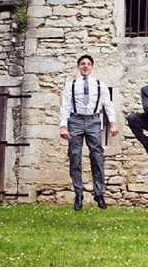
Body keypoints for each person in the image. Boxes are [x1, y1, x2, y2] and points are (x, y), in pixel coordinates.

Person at [59, 53, 117, 210]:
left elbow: (108, 104)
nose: (85, 66)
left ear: (92, 67)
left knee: (97, 157)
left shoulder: (100, 84)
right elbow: (65, 106)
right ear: (78, 67)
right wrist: (63, 126)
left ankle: (99, 194)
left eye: (88, 64)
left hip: (93, 121)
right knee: (75, 156)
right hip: (75, 121)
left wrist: (113, 123)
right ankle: (78, 194)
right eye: (82, 64)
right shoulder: (71, 85)